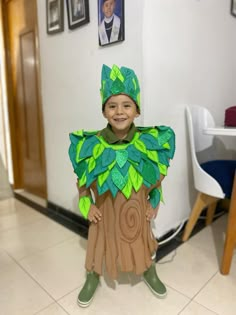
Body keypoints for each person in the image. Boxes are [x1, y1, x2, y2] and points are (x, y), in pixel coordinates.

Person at [68, 64, 175, 308]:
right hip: (103, 215)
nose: (119, 112)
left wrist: (154, 203)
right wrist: (87, 206)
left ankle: (148, 269)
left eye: (126, 105)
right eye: (112, 106)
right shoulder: (90, 146)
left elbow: (156, 182)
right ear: (104, 111)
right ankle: (93, 274)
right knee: (98, 243)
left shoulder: (149, 144)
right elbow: (83, 186)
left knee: (141, 240)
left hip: (136, 213)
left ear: (136, 111)